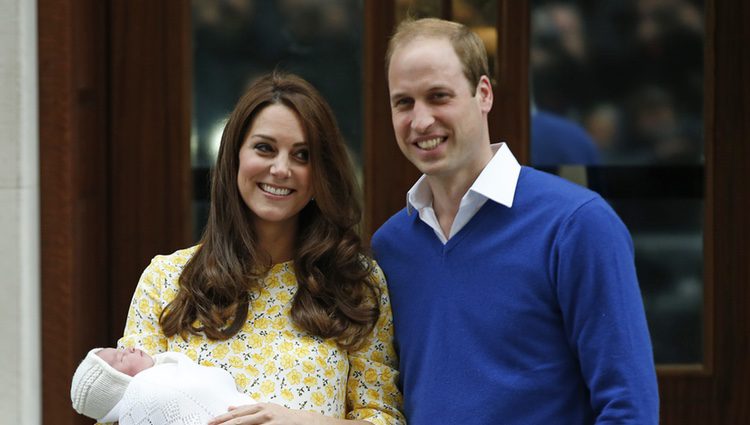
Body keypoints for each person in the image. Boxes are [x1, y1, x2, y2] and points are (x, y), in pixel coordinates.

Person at [371, 18, 659, 424]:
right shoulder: (391, 245)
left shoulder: (576, 225)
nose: (420, 121)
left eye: (438, 96)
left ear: (483, 94)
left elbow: (628, 408)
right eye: (404, 102)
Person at [117, 72, 404, 425]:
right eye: (265, 148)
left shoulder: (354, 284)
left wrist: (304, 423)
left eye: (302, 155)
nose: (281, 169)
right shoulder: (167, 280)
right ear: (234, 156)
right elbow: (119, 412)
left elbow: (384, 417)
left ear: (320, 174)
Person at [70, 347, 254, 424]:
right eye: (121, 357)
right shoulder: (149, 390)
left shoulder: (168, 373)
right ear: (115, 383)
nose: (129, 348)